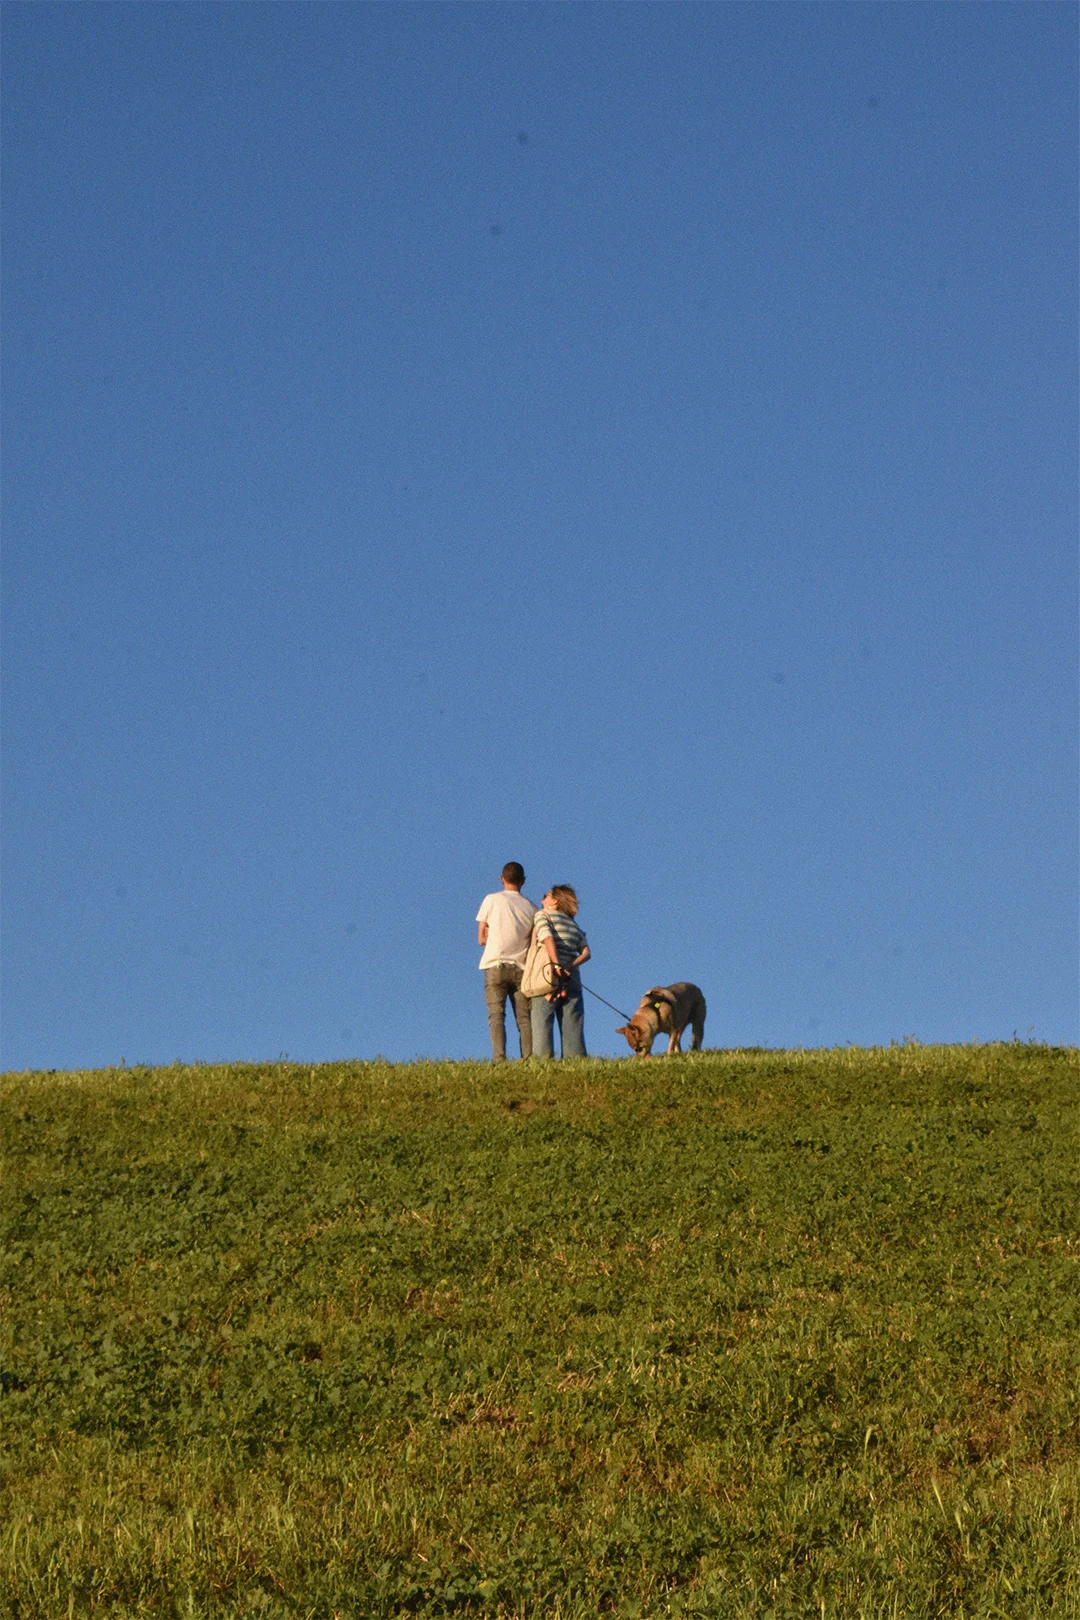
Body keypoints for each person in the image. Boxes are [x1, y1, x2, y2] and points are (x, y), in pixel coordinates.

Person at [476, 863, 538, 1060]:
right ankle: (528, 1058)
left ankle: (499, 1057)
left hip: (496, 964)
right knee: (524, 1019)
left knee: (496, 1015)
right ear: (523, 881)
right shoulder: (532, 908)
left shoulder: (491, 900)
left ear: (502, 879)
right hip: (522, 967)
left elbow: (481, 939)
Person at [529, 885, 591, 1059]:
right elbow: (586, 953)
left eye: (545, 896)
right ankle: (575, 1059)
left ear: (554, 901)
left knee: (542, 1018)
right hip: (572, 976)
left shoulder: (543, 915)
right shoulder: (573, 924)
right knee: (573, 1020)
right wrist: (570, 965)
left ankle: (544, 1060)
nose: (542, 901)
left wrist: (556, 964)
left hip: (548, 974)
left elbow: (547, 938)